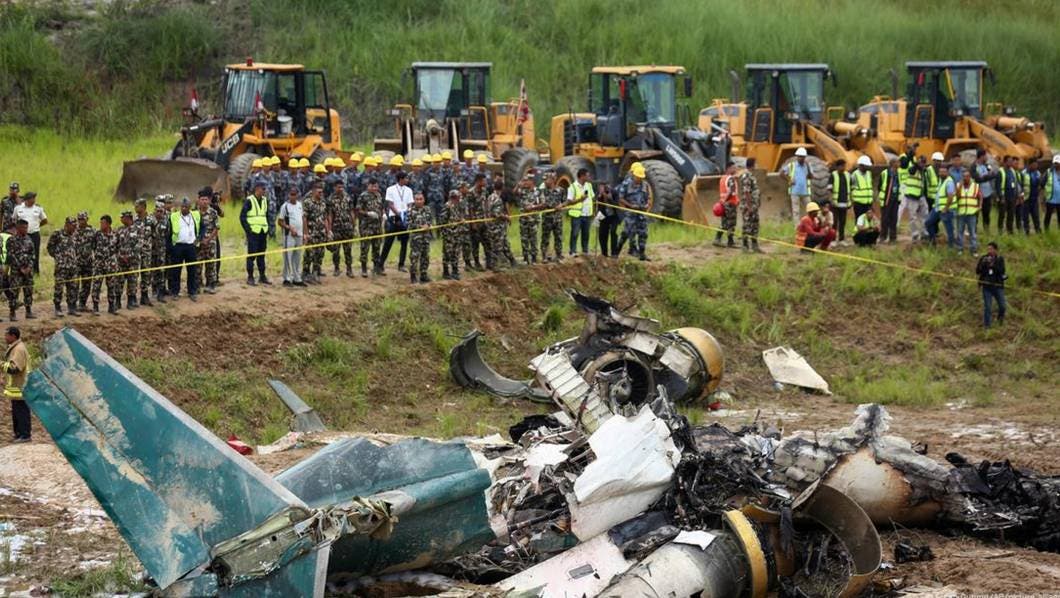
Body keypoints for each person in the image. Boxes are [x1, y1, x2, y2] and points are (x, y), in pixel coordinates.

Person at [167, 198, 201, 300]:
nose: (183, 208)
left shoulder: (196, 215)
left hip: (191, 247)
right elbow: (168, 233)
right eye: (182, 206)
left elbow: (202, 227)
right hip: (178, 247)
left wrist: (199, 239)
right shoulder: (173, 216)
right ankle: (175, 292)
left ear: (190, 208)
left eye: (186, 207)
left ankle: (192, 292)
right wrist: (171, 248)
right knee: (176, 271)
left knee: (192, 271)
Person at [47, 217, 80, 318]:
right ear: (67, 225)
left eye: (75, 226)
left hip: (73, 266)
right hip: (61, 267)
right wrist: (58, 257)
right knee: (59, 288)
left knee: (73, 288)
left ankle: (72, 308)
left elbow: (76, 249)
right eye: (73, 226)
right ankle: (58, 308)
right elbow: (50, 247)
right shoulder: (58, 233)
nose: (75, 228)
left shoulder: (75, 235)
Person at [380, 171, 413, 273]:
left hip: (405, 218)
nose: (408, 180)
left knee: (404, 242)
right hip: (394, 217)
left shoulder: (409, 190)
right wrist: (398, 213)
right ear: (401, 179)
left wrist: (407, 212)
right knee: (388, 242)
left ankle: (401, 264)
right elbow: (390, 203)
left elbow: (410, 204)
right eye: (406, 178)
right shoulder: (391, 189)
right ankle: (380, 264)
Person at [241, 181, 271, 286]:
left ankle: (262, 276)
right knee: (252, 255)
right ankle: (250, 277)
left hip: (263, 231)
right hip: (253, 232)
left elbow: (266, 215)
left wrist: (268, 229)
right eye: (263, 189)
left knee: (261, 255)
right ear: (257, 189)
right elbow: (242, 217)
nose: (264, 191)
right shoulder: (249, 201)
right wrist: (248, 230)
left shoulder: (265, 201)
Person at [617, 163, 650, 259]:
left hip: (641, 212)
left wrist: (647, 205)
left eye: (641, 177)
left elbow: (648, 197)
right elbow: (621, 198)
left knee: (643, 233)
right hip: (630, 213)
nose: (639, 179)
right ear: (633, 174)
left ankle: (642, 253)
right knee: (628, 232)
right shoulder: (626, 184)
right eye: (638, 177)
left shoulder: (645, 185)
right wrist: (631, 206)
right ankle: (619, 251)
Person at [3, 326, 30, 443]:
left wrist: (1, 364)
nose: (5, 337)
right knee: (16, 412)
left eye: (7, 335)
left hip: (21, 387)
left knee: (21, 412)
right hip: (17, 388)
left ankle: (25, 435)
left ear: (13, 336)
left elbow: (15, 369)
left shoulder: (18, 349)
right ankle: (19, 434)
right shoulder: (15, 347)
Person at [91, 215, 120, 315]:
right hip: (99, 264)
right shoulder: (97, 234)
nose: (101, 225)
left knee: (112, 286)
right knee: (96, 285)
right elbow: (93, 246)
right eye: (100, 223)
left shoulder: (115, 234)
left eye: (103, 223)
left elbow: (117, 247)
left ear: (108, 224)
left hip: (111, 264)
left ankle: (112, 306)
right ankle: (95, 307)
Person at [5, 220, 34, 321]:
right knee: (14, 292)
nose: (25, 230)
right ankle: (12, 313)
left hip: (28, 271)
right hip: (16, 271)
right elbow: (11, 256)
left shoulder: (29, 239)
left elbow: (32, 255)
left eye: (26, 228)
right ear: (18, 228)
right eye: (23, 228)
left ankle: (29, 311)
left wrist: (29, 267)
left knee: (28, 290)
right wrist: (20, 268)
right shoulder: (11, 240)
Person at [302, 182, 330, 284]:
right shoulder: (308, 202)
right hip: (311, 232)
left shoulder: (323, 203)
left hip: (321, 233)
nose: (320, 194)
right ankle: (305, 273)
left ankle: (315, 273)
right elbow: (304, 218)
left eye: (322, 192)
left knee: (320, 254)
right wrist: (305, 233)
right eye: (319, 192)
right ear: (313, 191)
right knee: (309, 254)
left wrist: (328, 231)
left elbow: (325, 218)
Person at [277, 187, 306, 287]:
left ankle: (297, 278)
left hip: (299, 235)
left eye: (294, 194)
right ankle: (287, 278)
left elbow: (303, 218)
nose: (293, 196)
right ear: (288, 195)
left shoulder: (300, 205)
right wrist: (289, 228)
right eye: (291, 194)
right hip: (288, 236)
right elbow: (280, 221)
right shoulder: (285, 206)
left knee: (297, 257)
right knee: (287, 257)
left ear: (298, 195)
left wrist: (305, 233)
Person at [327, 184, 357, 277]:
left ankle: (349, 269)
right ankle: (336, 268)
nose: (340, 189)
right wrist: (330, 229)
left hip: (347, 227)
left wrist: (354, 225)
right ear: (334, 187)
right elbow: (330, 214)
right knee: (336, 250)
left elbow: (351, 211)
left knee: (348, 249)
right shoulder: (331, 199)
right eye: (338, 187)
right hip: (336, 227)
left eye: (342, 187)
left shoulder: (348, 197)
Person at [486, 179, 516, 271]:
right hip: (497, 227)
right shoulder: (498, 199)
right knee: (497, 246)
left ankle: (512, 261)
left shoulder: (490, 197)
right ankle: (495, 266)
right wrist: (506, 217)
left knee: (504, 244)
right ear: (502, 188)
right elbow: (497, 213)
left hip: (492, 226)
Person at [13, 192, 46, 274]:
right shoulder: (18, 208)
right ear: (27, 199)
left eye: (34, 198)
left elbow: (45, 220)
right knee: (21, 252)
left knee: (35, 252)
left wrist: (37, 226)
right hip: (22, 235)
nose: (34, 200)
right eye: (32, 198)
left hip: (34, 234)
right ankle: (21, 269)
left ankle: (35, 271)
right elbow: (14, 219)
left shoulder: (38, 209)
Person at [130, 198, 155, 307]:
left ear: (144, 207)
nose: (135, 208)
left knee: (146, 274)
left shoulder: (151, 220)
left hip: (147, 251)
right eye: (135, 206)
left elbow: (155, 235)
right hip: (135, 252)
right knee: (134, 275)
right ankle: (132, 297)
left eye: (137, 206)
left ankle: (144, 296)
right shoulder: (133, 221)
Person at [976, 242, 1006, 328]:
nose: (989, 251)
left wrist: (993, 265)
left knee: (1002, 306)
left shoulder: (1000, 259)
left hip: (998, 286)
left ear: (996, 250)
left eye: (991, 249)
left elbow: (1002, 271)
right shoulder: (983, 258)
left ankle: (1000, 320)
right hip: (987, 286)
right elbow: (977, 271)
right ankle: (987, 326)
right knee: (988, 307)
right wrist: (983, 264)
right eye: (988, 249)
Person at [358, 178, 385, 277]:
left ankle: (376, 268)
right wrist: (368, 213)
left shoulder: (378, 195)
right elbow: (358, 210)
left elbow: (381, 207)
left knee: (377, 247)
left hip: (377, 226)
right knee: (365, 248)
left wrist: (384, 215)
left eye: (376, 186)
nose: (374, 188)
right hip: (366, 226)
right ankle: (364, 269)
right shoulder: (363, 196)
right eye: (372, 186)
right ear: (368, 186)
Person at [897, 153, 926, 242]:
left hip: (921, 196)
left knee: (924, 216)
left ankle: (924, 233)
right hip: (912, 196)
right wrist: (916, 164)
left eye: (924, 162)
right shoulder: (912, 169)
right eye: (921, 162)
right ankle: (915, 234)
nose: (922, 164)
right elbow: (912, 170)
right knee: (912, 217)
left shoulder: (923, 171)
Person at [925, 165, 956, 247]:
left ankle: (951, 247)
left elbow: (950, 196)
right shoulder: (941, 181)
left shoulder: (949, 182)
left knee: (949, 229)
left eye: (944, 172)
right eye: (940, 172)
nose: (941, 173)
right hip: (937, 208)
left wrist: (946, 208)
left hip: (946, 210)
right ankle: (933, 242)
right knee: (928, 223)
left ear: (947, 173)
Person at [116, 211, 142, 309]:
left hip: (133, 261)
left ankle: (131, 302)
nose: (121, 219)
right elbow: (115, 245)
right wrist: (121, 256)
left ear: (128, 218)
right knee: (119, 282)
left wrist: (129, 256)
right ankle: (117, 302)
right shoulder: (119, 230)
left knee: (132, 281)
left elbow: (139, 244)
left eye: (122, 217)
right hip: (121, 261)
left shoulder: (138, 229)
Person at [566, 168, 595, 256]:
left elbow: (592, 198)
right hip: (577, 214)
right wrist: (580, 200)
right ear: (582, 176)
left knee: (586, 234)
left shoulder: (589, 185)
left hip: (587, 214)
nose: (589, 177)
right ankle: (573, 251)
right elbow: (569, 201)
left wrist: (593, 211)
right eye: (587, 175)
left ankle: (585, 250)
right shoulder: (573, 187)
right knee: (575, 233)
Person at [407, 192, 433, 283]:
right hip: (416, 238)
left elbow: (430, 221)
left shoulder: (427, 209)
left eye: (420, 199)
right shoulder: (410, 211)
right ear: (414, 200)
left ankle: (424, 274)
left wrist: (428, 225)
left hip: (426, 237)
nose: (418, 201)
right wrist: (420, 227)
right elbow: (409, 224)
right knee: (414, 257)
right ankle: (413, 276)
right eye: (417, 199)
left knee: (425, 256)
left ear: (424, 200)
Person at [196, 193, 221, 293]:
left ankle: (211, 285)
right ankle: (197, 285)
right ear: (198, 200)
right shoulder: (194, 213)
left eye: (206, 199)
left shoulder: (213, 212)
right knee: (197, 265)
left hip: (210, 243)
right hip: (198, 243)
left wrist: (208, 239)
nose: (204, 201)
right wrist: (200, 240)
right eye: (202, 199)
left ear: (209, 201)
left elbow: (216, 228)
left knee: (211, 265)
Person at [516, 172, 542, 263]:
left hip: (533, 219)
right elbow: (514, 193)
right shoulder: (522, 190)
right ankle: (525, 257)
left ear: (532, 181)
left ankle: (534, 257)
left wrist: (533, 207)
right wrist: (518, 185)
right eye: (524, 181)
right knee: (524, 238)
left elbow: (543, 204)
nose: (525, 182)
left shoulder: (537, 191)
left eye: (527, 181)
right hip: (523, 219)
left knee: (533, 239)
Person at [539, 172, 565, 262]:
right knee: (545, 238)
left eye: (547, 179)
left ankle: (558, 255)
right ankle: (544, 256)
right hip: (547, 219)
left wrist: (561, 205)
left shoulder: (561, 190)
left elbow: (565, 201)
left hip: (558, 218)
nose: (545, 182)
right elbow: (543, 204)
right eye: (545, 180)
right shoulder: (543, 191)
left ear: (553, 180)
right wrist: (553, 206)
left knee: (558, 237)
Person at [782, 147, 812, 224]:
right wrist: (789, 180)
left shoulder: (807, 166)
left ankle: (809, 225)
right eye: (799, 156)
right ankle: (797, 228)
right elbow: (781, 173)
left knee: (810, 208)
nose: (801, 158)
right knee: (796, 211)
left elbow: (811, 177)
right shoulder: (792, 165)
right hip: (795, 191)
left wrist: (808, 168)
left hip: (805, 192)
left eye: (803, 157)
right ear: (797, 157)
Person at [955, 169, 982, 256]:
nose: (965, 178)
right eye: (964, 176)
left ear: (970, 177)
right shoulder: (959, 185)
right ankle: (960, 249)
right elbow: (957, 197)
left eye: (967, 176)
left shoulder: (975, 186)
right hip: (961, 212)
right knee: (960, 232)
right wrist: (960, 186)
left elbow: (980, 196)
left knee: (972, 232)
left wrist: (980, 206)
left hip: (972, 213)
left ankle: (973, 249)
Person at [441, 190, 466, 280]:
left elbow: (458, 217)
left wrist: (461, 220)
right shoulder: (447, 206)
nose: (459, 198)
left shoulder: (457, 206)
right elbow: (442, 222)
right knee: (447, 253)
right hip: (449, 235)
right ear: (453, 197)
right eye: (458, 197)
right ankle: (446, 271)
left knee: (456, 253)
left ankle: (455, 271)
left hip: (457, 233)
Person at [739, 158, 763, 253]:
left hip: (754, 205)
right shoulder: (747, 176)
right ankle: (745, 246)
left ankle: (754, 245)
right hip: (748, 205)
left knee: (755, 225)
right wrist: (749, 206)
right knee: (747, 225)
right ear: (752, 165)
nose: (757, 165)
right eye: (756, 164)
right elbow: (747, 192)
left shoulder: (751, 176)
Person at [74, 211, 96, 310]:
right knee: (74, 284)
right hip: (76, 262)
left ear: (87, 219)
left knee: (87, 284)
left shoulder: (92, 231)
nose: (81, 221)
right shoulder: (74, 230)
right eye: (79, 219)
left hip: (88, 262)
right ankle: (72, 304)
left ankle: (82, 303)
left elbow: (95, 245)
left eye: (83, 219)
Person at [714, 164, 739, 247]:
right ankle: (730, 242)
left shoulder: (723, 178)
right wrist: (726, 200)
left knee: (724, 223)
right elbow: (731, 191)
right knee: (731, 223)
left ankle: (717, 239)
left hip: (724, 204)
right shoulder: (731, 179)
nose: (736, 169)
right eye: (734, 167)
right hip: (730, 204)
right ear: (729, 168)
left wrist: (723, 201)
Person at [972, 149, 997, 231]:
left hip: (987, 194)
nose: (986, 158)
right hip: (977, 194)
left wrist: (986, 177)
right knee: (975, 214)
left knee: (986, 214)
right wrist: (987, 176)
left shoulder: (987, 166)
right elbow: (978, 179)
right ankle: (974, 231)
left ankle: (986, 230)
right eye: (985, 156)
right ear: (981, 156)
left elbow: (993, 174)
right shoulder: (974, 167)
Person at [150, 200, 170, 303]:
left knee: (161, 271)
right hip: (152, 250)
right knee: (153, 270)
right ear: (154, 211)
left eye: (161, 211)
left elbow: (167, 233)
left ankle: (160, 292)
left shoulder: (166, 221)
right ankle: (153, 290)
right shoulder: (150, 220)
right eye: (157, 211)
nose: (159, 213)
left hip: (162, 249)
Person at [997, 155, 1022, 235]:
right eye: (1009, 161)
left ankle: (1010, 231)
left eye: (1011, 161)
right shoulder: (1000, 172)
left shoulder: (1013, 171)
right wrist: (1001, 196)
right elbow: (998, 186)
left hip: (1012, 197)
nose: (1011, 163)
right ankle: (1000, 230)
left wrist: (1018, 195)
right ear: (1005, 162)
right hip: (1004, 197)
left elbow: (1016, 183)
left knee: (1011, 215)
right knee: (1002, 214)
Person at [878, 158, 901, 243]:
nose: (899, 164)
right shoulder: (885, 173)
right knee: (885, 218)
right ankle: (883, 236)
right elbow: (879, 186)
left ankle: (893, 237)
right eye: (897, 162)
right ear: (892, 164)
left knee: (894, 218)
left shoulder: (898, 174)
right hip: (886, 200)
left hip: (895, 200)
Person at [596, 184, 621, 257]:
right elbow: (598, 206)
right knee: (602, 234)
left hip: (614, 216)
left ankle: (614, 253)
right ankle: (604, 253)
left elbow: (616, 205)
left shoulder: (614, 193)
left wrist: (610, 199)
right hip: (603, 216)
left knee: (613, 232)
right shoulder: (599, 194)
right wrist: (600, 196)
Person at [850, 156, 875, 226]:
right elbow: (851, 188)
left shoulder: (869, 174)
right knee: (859, 221)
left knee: (868, 220)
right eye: (866, 166)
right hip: (859, 203)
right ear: (861, 165)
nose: (868, 167)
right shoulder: (854, 175)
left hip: (868, 202)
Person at [1019, 159, 1042, 235]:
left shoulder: (1038, 173)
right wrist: (1021, 195)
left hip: (1034, 198)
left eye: (1036, 165)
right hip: (1026, 198)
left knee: (1036, 216)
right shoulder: (1023, 173)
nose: (1036, 166)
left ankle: (1038, 231)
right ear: (1030, 165)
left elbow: (1039, 184)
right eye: (1034, 165)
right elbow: (1020, 185)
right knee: (1025, 217)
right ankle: (1026, 232)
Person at [1044, 155, 1060, 230]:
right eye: (1055, 163)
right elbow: (1042, 184)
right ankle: (1046, 230)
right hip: (1051, 198)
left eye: (1057, 163)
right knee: (1048, 215)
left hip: (1059, 200)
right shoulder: (1048, 172)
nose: (1056, 164)